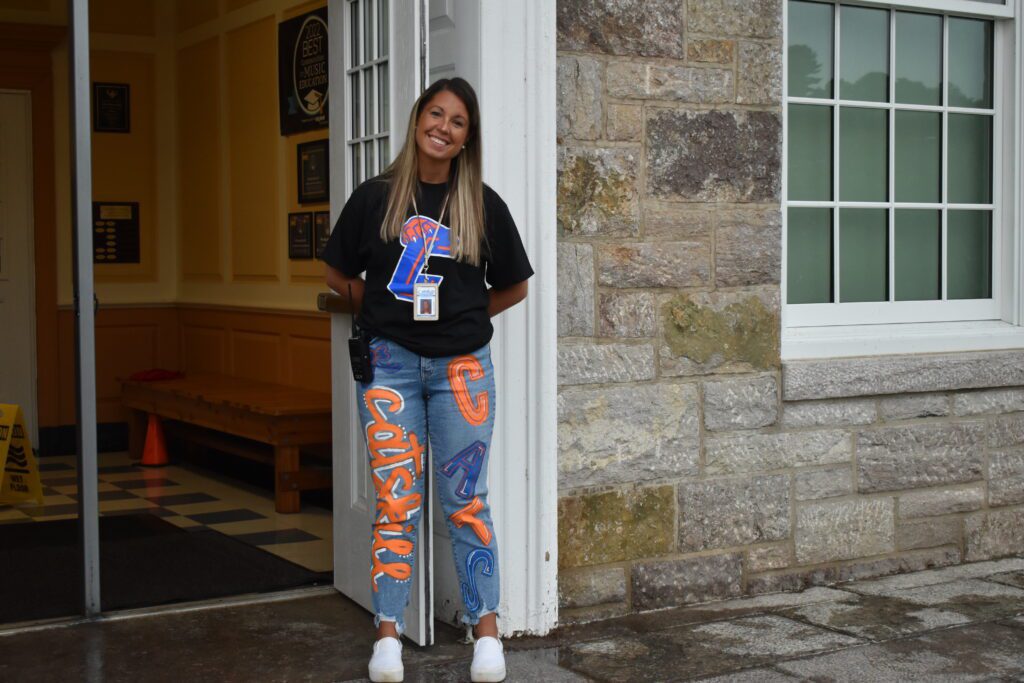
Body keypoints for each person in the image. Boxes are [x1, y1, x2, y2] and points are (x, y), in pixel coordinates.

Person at [321, 77, 532, 683]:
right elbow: (336, 272)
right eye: (435, 114)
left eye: (457, 121)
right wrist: (381, 307)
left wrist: (464, 317)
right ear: (417, 121)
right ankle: (387, 636)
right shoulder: (377, 197)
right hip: (390, 364)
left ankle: (486, 634)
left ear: (468, 139)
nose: (444, 126)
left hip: (462, 368)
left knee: (465, 501)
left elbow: (514, 284)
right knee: (395, 500)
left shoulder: (482, 204)